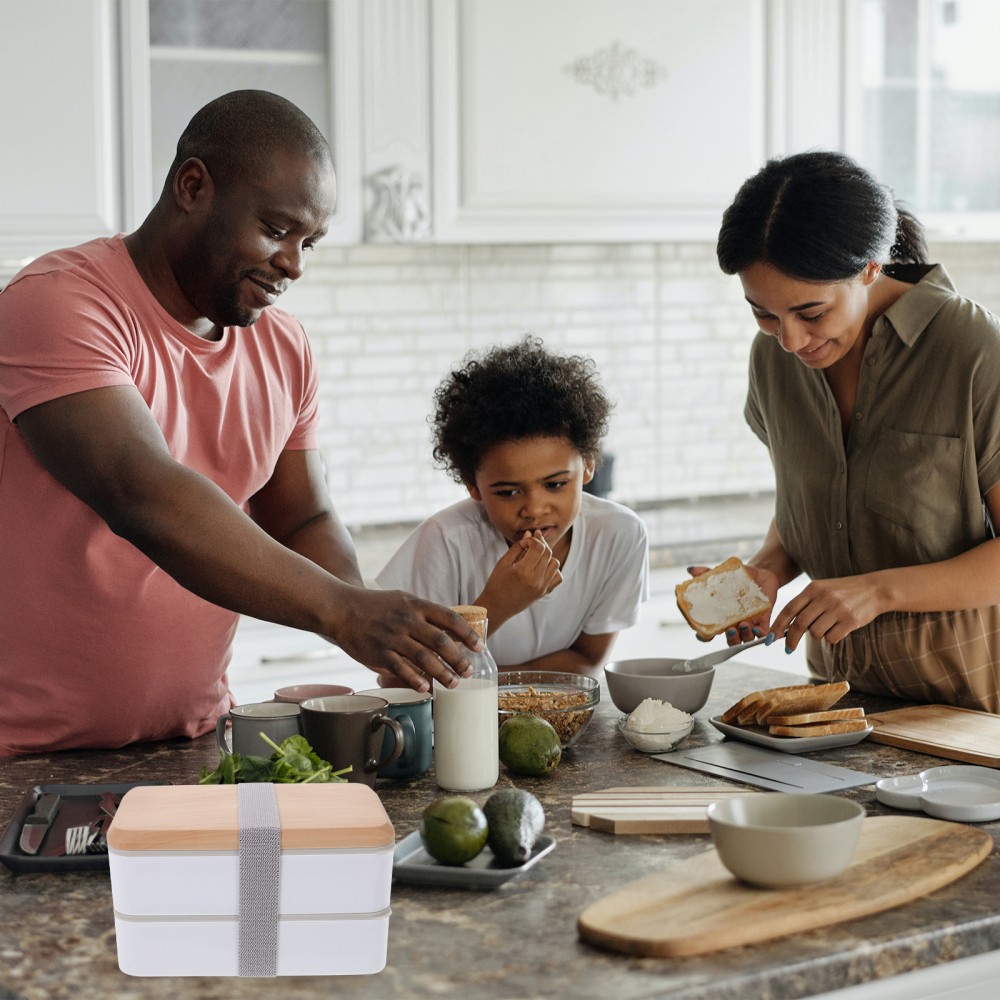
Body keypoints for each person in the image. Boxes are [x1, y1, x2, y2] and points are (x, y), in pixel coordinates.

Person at [0, 90, 480, 756]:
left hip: (194, 739)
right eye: (278, 230)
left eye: (309, 242)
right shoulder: (58, 303)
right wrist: (342, 613)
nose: (295, 263)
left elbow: (302, 517)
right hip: (23, 758)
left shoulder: (284, 347)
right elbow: (140, 492)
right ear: (192, 186)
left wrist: (379, 631)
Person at [709, 149, 1000, 712]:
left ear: (870, 267)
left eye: (811, 313)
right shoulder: (772, 360)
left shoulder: (973, 351)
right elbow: (816, 501)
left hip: (972, 710)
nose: (790, 340)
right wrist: (767, 570)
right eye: (763, 314)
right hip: (837, 705)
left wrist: (878, 591)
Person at [376, 336, 649, 676]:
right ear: (472, 485)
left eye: (555, 484)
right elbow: (397, 677)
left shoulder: (619, 535)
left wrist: (487, 682)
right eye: (507, 492)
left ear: (589, 465)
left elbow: (587, 660)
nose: (534, 509)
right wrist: (496, 606)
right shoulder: (446, 541)